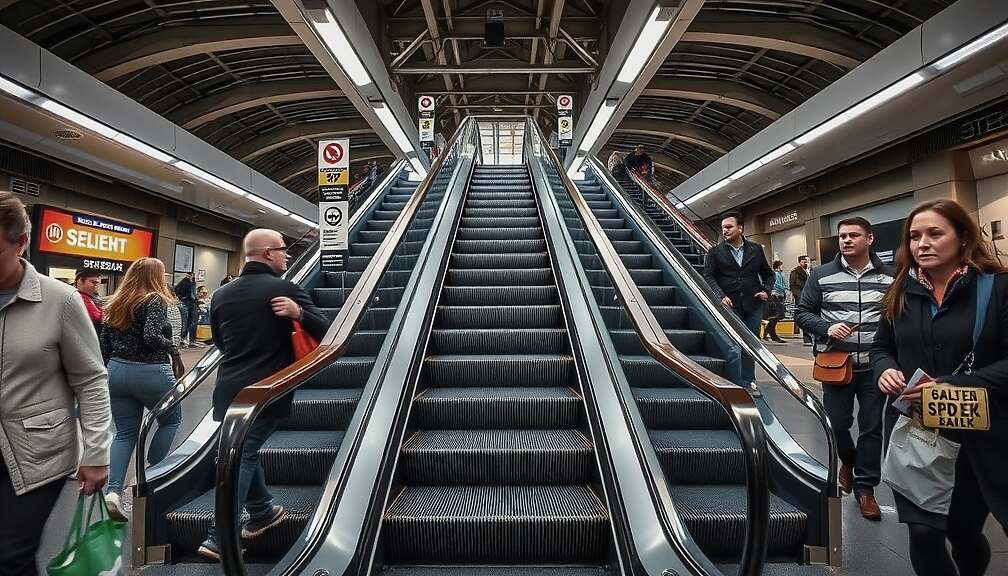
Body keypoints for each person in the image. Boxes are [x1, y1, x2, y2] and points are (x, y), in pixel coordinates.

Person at [872, 199, 1007, 576]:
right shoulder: (900, 292)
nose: (922, 244)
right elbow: (883, 347)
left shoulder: (995, 289)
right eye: (914, 236)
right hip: (916, 431)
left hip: (981, 433)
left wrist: (949, 385)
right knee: (923, 532)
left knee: (963, 530)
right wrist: (884, 369)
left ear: (962, 237)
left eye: (935, 233)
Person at [197, 229, 330, 560]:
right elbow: (327, 330)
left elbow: (221, 343)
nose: (287, 256)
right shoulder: (285, 289)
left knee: (242, 450)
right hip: (265, 390)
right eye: (283, 250)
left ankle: (261, 510)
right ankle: (219, 536)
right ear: (269, 253)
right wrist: (300, 314)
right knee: (241, 455)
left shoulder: (221, 294)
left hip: (228, 389)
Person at [0, 192, 111, 575]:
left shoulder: (60, 301)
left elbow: (92, 380)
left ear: (21, 244)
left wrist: (96, 452)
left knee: (10, 553)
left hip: (37, 452)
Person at [795, 216, 894, 520]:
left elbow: (897, 317)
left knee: (872, 427)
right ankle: (848, 460)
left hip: (875, 368)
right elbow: (802, 313)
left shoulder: (890, 278)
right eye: (842, 236)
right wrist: (827, 327)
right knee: (837, 423)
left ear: (870, 239)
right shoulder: (822, 276)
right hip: (837, 365)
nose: (846, 240)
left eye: (853, 235)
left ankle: (865, 489)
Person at [99, 257, 181, 521]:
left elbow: (104, 345)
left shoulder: (113, 303)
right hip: (150, 371)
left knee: (124, 433)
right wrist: (173, 349)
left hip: (116, 370)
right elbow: (151, 336)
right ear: (155, 276)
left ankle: (113, 492)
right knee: (170, 420)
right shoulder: (154, 300)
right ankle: (150, 479)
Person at [702, 213, 775, 383]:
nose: (725, 231)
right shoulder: (714, 252)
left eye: (729, 227)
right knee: (733, 342)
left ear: (740, 228)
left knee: (751, 343)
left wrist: (766, 291)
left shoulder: (756, 249)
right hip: (729, 304)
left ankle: (749, 380)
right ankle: (732, 379)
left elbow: (768, 274)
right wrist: (721, 296)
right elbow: (708, 276)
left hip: (753, 304)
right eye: (723, 228)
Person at [789, 255, 813, 345]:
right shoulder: (795, 272)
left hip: (811, 297)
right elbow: (793, 286)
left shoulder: (812, 271)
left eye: (808, 261)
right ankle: (806, 337)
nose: (806, 263)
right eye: (804, 261)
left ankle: (812, 336)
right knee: (803, 316)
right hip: (801, 297)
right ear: (800, 262)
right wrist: (800, 295)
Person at [763, 260, 787, 343]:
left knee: (777, 316)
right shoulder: (776, 274)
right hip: (776, 297)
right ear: (778, 266)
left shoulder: (780, 274)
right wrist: (785, 288)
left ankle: (769, 332)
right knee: (778, 315)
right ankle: (769, 332)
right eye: (781, 266)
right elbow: (776, 285)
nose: (782, 267)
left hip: (779, 296)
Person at [74, 268, 104, 334]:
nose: (97, 285)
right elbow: (99, 318)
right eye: (93, 282)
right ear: (80, 281)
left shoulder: (94, 297)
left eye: (98, 283)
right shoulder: (76, 297)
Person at [174, 271, 197, 347]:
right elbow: (176, 289)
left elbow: (194, 292)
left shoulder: (193, 282)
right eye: (190, 275)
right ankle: (182, 339)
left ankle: (192, 341)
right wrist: (182, 297)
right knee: (185, 322)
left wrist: (196, 299)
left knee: (193, 322)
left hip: (192, 303)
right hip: (185, 302)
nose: (191, 276)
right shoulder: (184, 282)